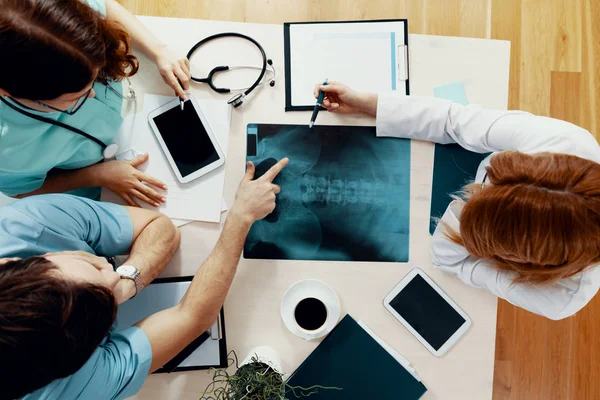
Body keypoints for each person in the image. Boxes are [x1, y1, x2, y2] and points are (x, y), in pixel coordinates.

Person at [0, 157, 288, 400]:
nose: (106, 264)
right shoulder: (74, 389)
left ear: (12, 261)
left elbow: (160, 229)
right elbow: (192, 317)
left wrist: (124, 284)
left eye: (88, 260)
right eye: (93, 262)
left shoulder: (22, 224)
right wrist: (238, 219)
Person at [314, 81, 600, 320]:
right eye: (495, 177)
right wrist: (369, 104)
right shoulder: (566, 142)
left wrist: (465, 214)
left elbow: (447, 259)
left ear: (521, 258)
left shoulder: (562, 297)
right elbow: (455, 120)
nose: (477, 189)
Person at [0, 0, 191, 206]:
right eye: (74, 98)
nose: (91, 95)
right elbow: (21, 191)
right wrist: (97, 175)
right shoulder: (6, 150)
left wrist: (159, 51)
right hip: (93, 181)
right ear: (9, 92)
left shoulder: (44, 14)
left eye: (95, 77)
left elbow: (105, 7)